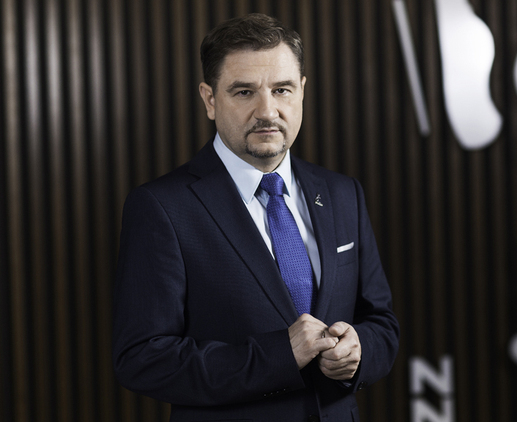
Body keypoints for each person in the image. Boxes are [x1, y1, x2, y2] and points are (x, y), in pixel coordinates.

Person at [112, 13, 399, 422]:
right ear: (210, 100)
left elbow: (381, 323)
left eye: (281, 89)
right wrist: (279, 355)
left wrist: (359, 351)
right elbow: (142, 359)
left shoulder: (342, 193)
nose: (267, 111)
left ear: (301, 91)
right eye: (244, 92)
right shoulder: (161, 207)